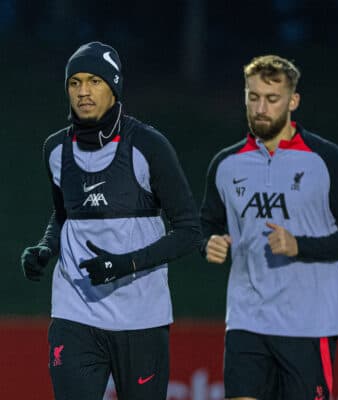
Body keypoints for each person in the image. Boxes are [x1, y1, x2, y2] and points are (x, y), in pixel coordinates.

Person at [19, 41, 202, 400]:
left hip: (140, 318)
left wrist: (126, 264)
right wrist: (46, 247)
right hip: (76, 311)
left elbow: (189, 231)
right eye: (75, 82)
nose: (83, 91)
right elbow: (64, 214)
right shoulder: (55, 150)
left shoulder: (148, 145)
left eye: (94, 81)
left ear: (114, 87)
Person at [199, 55, 338, 400]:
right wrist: (208, 243)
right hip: (246, 318)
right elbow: (206, 223)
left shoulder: (324, 159)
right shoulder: (225, 163)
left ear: (293, 101)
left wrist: (301, 246)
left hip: (308, 323)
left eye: (272, 98)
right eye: (253, 97)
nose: (260, 108)